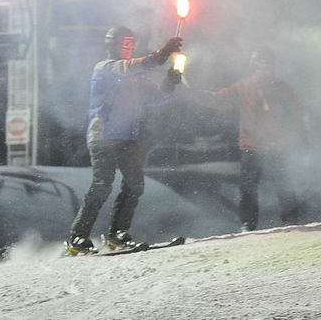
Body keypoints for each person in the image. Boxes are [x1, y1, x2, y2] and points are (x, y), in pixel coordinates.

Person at [65, 27, 183, 255]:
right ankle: (77, 237)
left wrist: (170, 81)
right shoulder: (105, 68)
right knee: (102, 184)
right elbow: (132, 67)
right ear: (112, 45)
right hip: (103, 135)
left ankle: (117, 234)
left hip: (127, 137)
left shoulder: (136, 78)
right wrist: (163, 53)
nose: (129, 48)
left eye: (131, 44)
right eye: (124, 44)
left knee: (134, 184)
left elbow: (158, 98)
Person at [200, 46, 307, 231]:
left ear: (272, 65)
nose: (262, 66)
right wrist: (192, 93)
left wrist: (302, 137)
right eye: (258, 62)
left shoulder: (283, 89)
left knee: (283, 184)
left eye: (266, 62)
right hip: (252, 145)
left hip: (276, 145)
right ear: (252, 65)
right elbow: (219, 99)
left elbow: (296, 114)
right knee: (248, 188)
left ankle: (290, 220)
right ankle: (248, 223)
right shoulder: (242, 87)